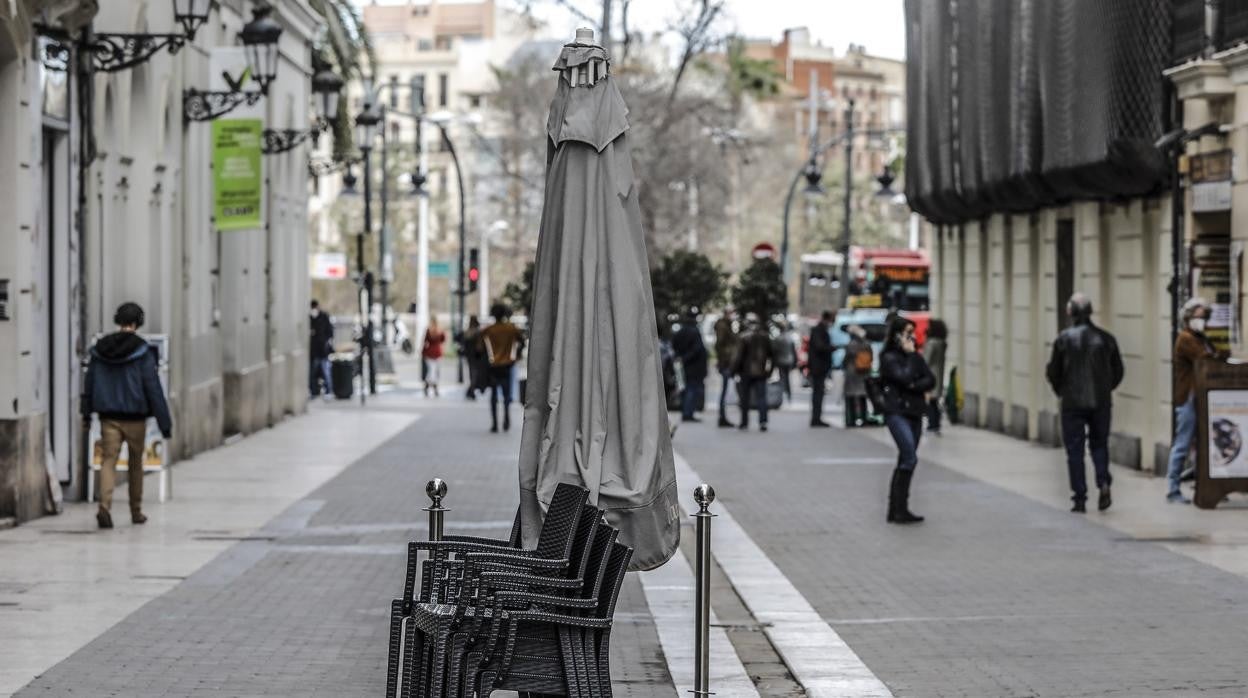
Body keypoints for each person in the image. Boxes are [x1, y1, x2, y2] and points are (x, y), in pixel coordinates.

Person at [82, 302, 173, 529]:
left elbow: (90, 383)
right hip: (135, 418)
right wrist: (164, 422)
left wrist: (86, 413)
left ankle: (104, 506)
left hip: (108, 417)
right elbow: (152, 387)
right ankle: (136, 510)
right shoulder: (142, 351)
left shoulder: (100, 349)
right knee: (135, 464)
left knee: (108, 462)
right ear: (137, 322)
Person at [1046, 293, 1124, 513]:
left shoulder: (1063, 339)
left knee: (1075, 451)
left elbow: (1053, 371)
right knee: (1100, 444)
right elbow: (1118, 370)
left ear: (1070, 312)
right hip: (1100, 402)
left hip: (1072, 403)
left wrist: (1061, 391)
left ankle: (1079, 497)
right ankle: (1103, 482)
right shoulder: (1106, 338)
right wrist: (1105, 389)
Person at [1165, 297, 1226, 503]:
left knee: (1202, 444)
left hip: (1200, 396)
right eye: (1199, 316)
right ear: (1188, 316)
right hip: (1188, 397)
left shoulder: (1201, 338)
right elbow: (1205, 359)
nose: (1202, 320)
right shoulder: (1186, 339)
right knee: (1183, 443)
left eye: (1205, 316)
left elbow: (1215, 355)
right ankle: (1172, 489)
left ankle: (1206, 484)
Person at [878, 317, 936, 524]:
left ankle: (897, 509)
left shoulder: (915, 356)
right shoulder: (889, 357)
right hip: (897, 412)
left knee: (906, 458)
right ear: (896, 334)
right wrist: (912, 376)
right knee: (910, 456)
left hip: (915, 413)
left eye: (912, 331)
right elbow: (902, 377)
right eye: (906, 332)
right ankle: (897, 508)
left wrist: (913, 383)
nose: (911, 336)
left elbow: (930, 379)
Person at [482, 303, 524, 432]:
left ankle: (495, 423)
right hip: (507, 364)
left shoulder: (489, 330)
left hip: (493, 364)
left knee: (494, 394)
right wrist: (516, 355)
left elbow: (480, 346)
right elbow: (521, 341)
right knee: (506, 394)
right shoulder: (511, 328)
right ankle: (506, 416)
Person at [734, 314, 775, 432]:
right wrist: (769, 370)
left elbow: (738, 357)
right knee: (761, 398)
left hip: (746, 372)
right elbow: (772, 356)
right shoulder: (764, 337)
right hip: (760, 372)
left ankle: (744, 422)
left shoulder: (744, 337)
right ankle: (762, 421)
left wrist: (734, 370)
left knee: (745, 398)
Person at [672, 311, 709, 423]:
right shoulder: (694, 331)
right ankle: (688, 413)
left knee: (685, 389)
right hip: (694, 366)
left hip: (682, 365)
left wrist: (681, 358)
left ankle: (686, 412)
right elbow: (698, 350)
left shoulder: (679, 332)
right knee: (692, 389)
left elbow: (674, 346)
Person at [713, 310, 740, 428]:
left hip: (726, 362)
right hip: (726, 362)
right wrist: (723, 360)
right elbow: (720, 344)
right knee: (725, 391)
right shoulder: (723, 326)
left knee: (726, 391)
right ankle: (722, 417)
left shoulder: (725, 326)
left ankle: (723, 416)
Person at [808, 310, 835, 427]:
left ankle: (817, 417)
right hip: (818, 367)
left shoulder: (819, 330)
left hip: (819, 367)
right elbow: (820, 347)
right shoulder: (818, 330)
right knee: (818, 393)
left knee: (819, 393)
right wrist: (831, 348)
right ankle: (816, 418)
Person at [923, 319, 949, 435]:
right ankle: (936, 424)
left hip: (930, 375)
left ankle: (932, 424)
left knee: (930, 401)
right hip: (938, 375)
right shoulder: (941, 342)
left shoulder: (931, 343)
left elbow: (926, 360)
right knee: (934, 401)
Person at [843, 325, 871, 427]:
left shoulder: (851, 344)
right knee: (862, 396)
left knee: (850, 397)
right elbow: (870, 357)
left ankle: (851, 420)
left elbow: (846, 359)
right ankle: (864, 418)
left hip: (852, 372)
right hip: (863, 372)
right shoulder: (866, 343)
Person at [308, 300, 335, 399]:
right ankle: (314, 390)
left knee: (326, 371)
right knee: (312, 373)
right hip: (314, 351)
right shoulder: (310, 318)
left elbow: (330, 331)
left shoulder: (324, 317)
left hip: (323, 350)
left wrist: (327, 342)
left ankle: (328, 391)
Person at [461, 315, 487, 400]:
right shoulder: (478, 332)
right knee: (475, 375)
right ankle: (471, 391)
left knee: (472, 374)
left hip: (470, 356)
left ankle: (470, 391)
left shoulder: (467, 332)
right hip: (477, 356)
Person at [772, 322, 798, 402]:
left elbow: (775, 352)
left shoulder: (778, 338)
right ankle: (788, 394)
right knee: (786, 378)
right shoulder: (790, 338)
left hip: (781, 361)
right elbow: (793, 351)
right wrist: (795, 361)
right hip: (789, 360)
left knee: (782, 377)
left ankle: (783, 393)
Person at [422, 316, 447, 397]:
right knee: (433, 371)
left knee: (433, 371)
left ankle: (429, 387)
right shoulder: (438, 331)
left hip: (432, 353)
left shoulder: (430, 330)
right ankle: (433, 387)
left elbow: (425, 342)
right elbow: (443, 340)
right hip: (435, 353)